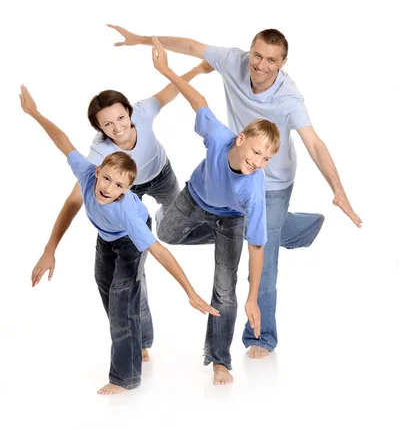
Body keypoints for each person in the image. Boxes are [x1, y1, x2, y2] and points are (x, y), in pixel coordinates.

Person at [108, 24, 362, 360]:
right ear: (250, 51)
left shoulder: (289, 99)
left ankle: (261, 336)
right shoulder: (233, 62)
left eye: (271, 60)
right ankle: (300, 227)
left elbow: (314, 142)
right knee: (259, 233)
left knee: (264, 256)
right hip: (234, 168)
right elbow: (191, 44)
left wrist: (338, 188)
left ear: (281, 64)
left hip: (271, 180)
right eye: (257, 55)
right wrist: (142, 40)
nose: (260, 65)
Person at [19, 85, 219, 395]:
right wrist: (35, 113)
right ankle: (142, 338)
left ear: (127, 191)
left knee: (122, 300)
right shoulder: (87, 175)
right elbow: (62, 141)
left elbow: (159, 251)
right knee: (106, 286)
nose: (109, 188)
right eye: (107, 178)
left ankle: (125, 377)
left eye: (119, 186)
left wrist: (190, 292)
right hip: (106, 239)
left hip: (128, 240)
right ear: (97, 170)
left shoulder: (126, 211)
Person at [151, 37, 280, 385]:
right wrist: (168, 70)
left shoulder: (254, 187)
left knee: (226, 289)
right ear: (240, 139)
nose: (258, 162)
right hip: (194, 197)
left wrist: (253, 297)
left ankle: (220, 360)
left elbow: (257, 247)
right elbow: (198, 101)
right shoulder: (220, 136)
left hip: (231, 219)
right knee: (164, 233)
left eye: (266, 159)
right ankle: (234, 242)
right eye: (256, 153)